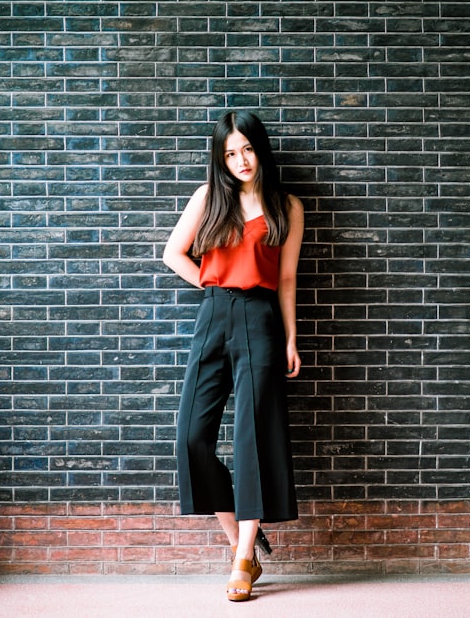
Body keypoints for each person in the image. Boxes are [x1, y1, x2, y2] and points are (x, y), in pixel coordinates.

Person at [163, 110, 304, 602]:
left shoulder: (287, 207)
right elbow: (172, 253)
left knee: (253, 440)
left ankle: (244, 559)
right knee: (191, 439)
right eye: (229, 152)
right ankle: (240, 543)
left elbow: (286, 280)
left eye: (246, 149)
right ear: (220, 158)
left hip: (262, 320)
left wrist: (290, 338)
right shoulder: (209, 199)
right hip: (214, 315)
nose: (240, 160)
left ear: (259, 149)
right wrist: (210, 281)